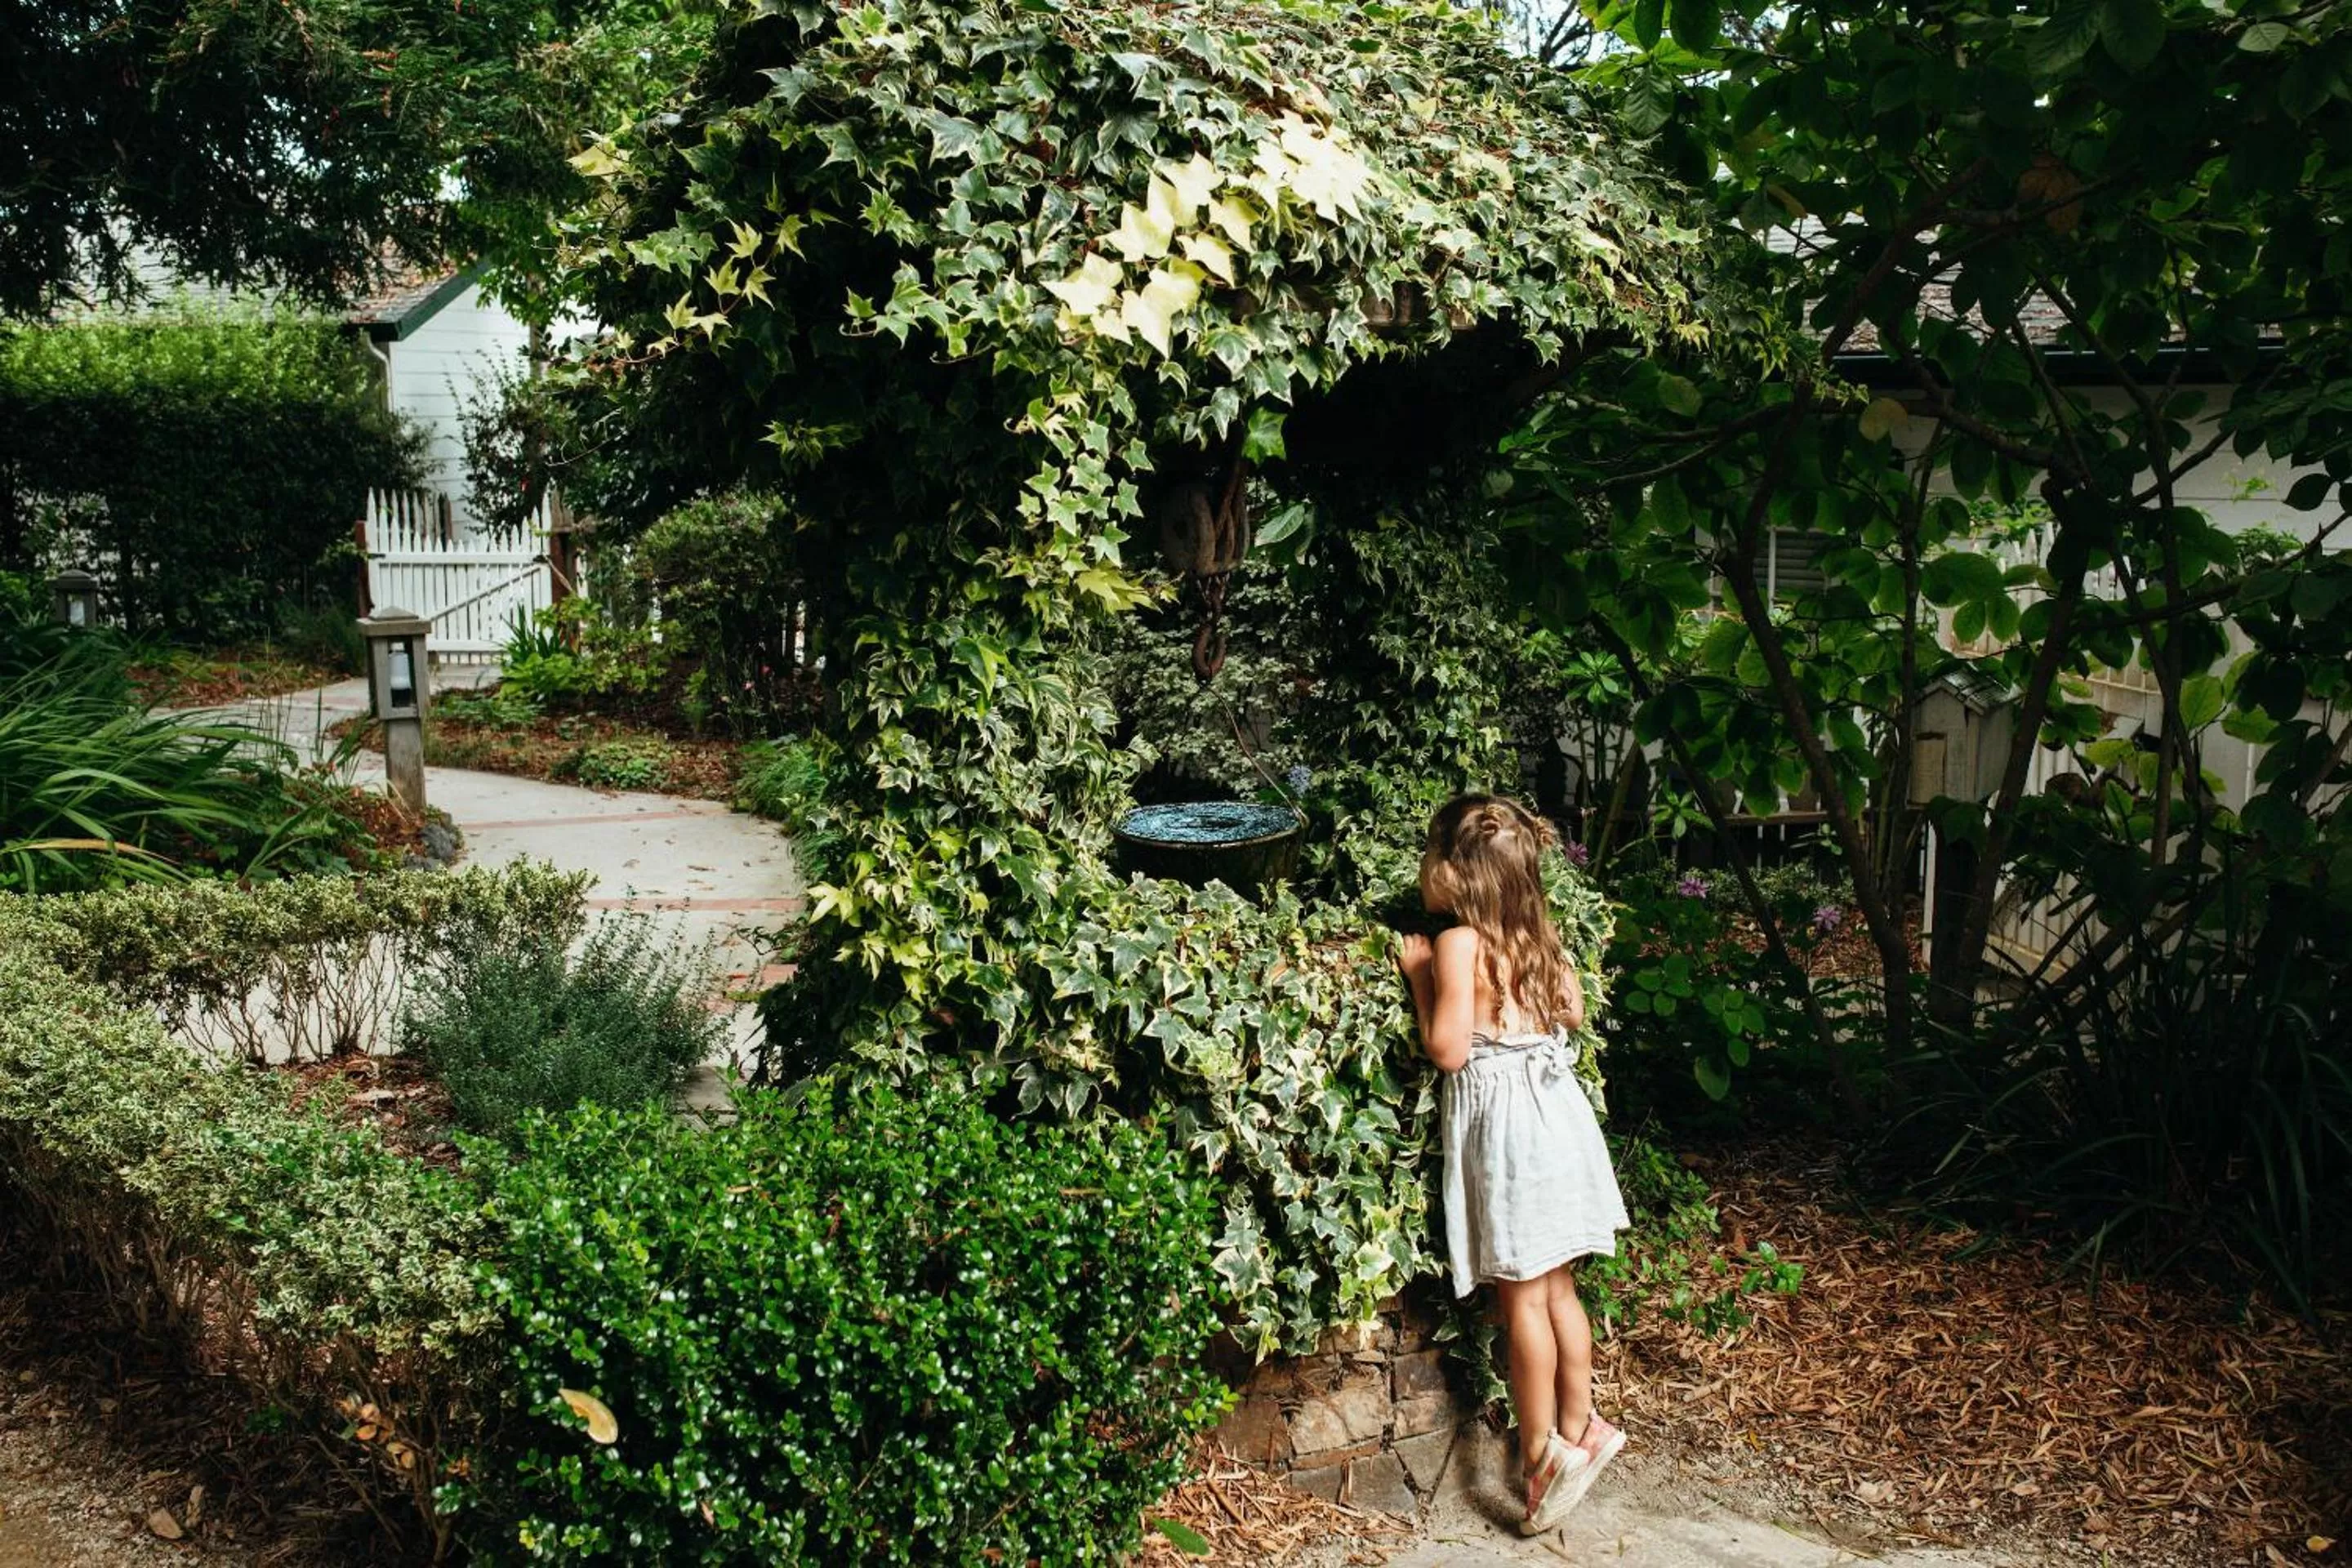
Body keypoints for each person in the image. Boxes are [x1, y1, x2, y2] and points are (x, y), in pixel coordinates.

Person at [1397, 793, 1631, 1535]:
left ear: (1457, 872)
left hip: (1509, 1134)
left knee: (1522, 1302)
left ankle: (1538, 1455)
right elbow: (1572, 1012)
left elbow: (1448, 1050)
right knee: (1558, 1289)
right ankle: (1581, 1426)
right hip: (1558, 1121)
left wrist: (1421, 977)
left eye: (1430, 853)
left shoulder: (1459, 944)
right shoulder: (1538, 934)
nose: (1423, 867)